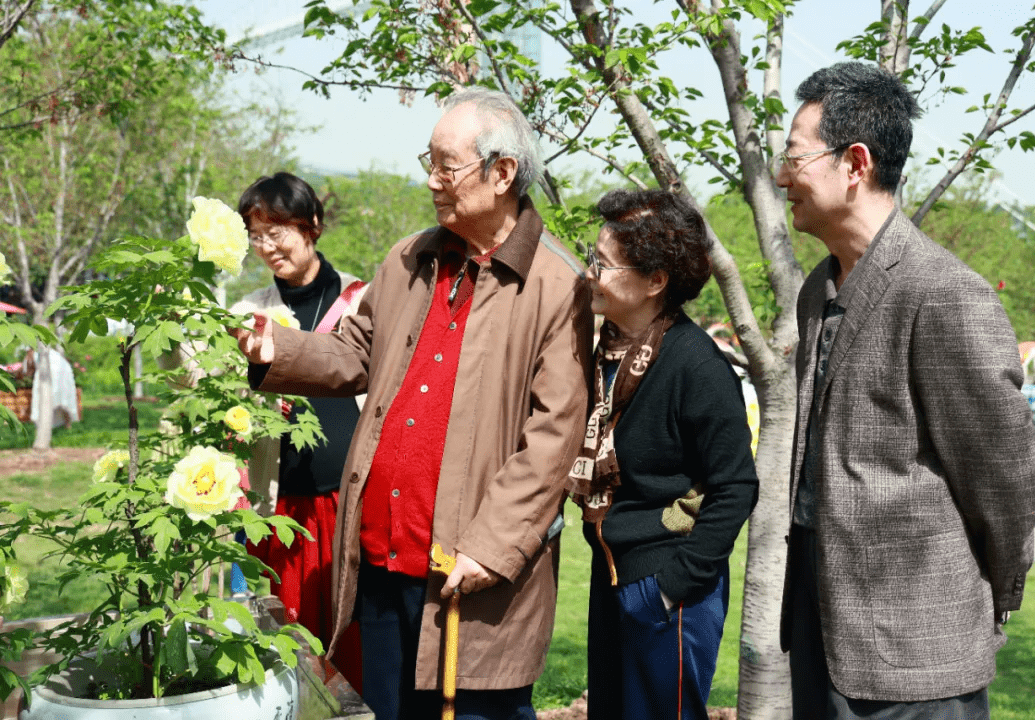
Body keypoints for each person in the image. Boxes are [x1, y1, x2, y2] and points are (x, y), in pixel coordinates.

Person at [232, 87, 592, 720]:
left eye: (445, 165)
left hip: (470, 570)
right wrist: (275, 351)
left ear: (502, 172)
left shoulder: (557, 284)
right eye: (428, 160)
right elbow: (352, 353)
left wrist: (492, 544)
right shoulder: (408, 259)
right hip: (379, 554)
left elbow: (554, 437)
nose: (431, 180)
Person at [775, 61, 1035, 719]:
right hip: (819, 638)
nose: (782, 178)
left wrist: (990, 598)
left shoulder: (943, 293)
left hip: (917, 662)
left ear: (855, 162)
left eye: (793, 157)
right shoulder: (819, 288)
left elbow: (1005, 482)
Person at [569, 189, 758, 720]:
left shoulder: (696, 365)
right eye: (592, 257)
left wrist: (672, 588)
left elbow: (736, 486)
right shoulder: (600, 351)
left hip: (668, 587)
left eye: (603, 265)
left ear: (656, 281)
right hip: (613, 576)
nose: (590, 274)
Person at [232, 172, 367, 693]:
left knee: (351, 639)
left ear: (312, 225)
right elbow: (193, 381)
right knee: (284, 646)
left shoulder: (363, 300)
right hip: (279, 507)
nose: (267, 247)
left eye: (278, 231)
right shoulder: (247, 313)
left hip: (349, 504)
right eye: (256, 234)